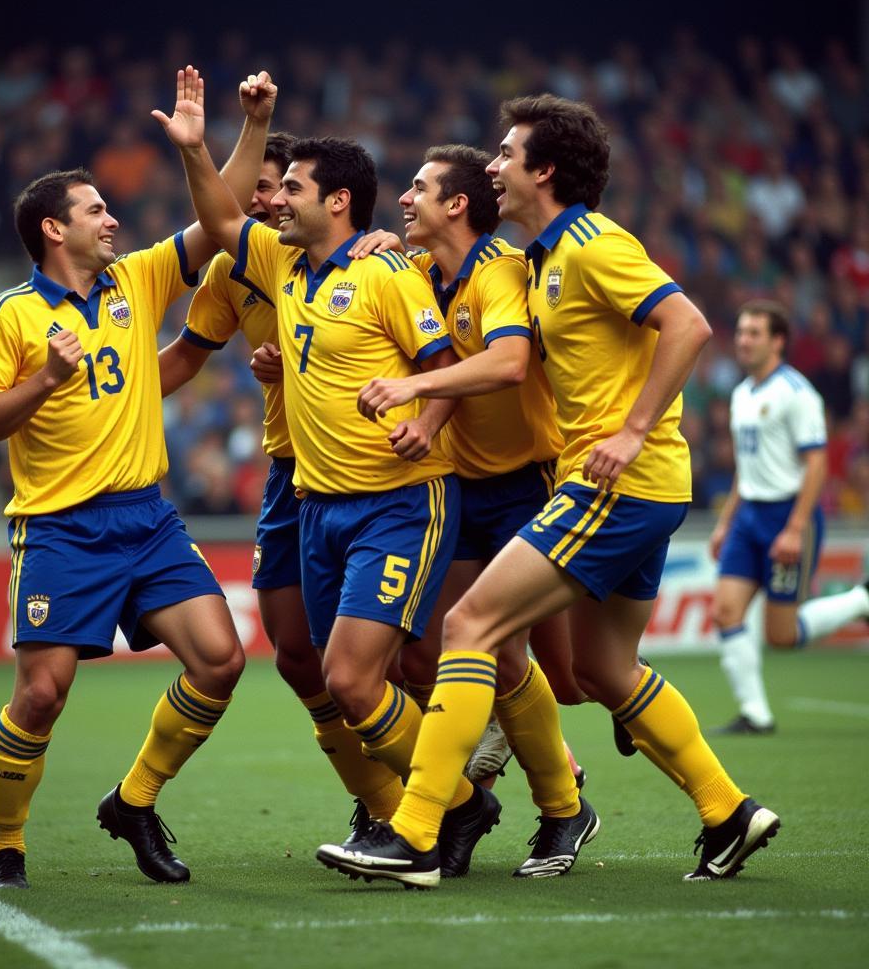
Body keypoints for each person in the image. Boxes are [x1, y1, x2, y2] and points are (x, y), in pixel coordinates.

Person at [316, 93, 779, 889]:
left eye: (505, 153)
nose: (493, 165)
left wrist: (631, 431)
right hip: (633, 484)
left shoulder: (596, 245)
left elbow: (690, 325)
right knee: (602, 672)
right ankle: (728, 812)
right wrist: (402, 245)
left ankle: (418, 832)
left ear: (545, 170)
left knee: (470, 625)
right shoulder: (539, 259)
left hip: (614, 481)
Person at [171, 66, 502, 877]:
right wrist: (202, 145)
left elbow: (450, 363)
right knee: (338, 677)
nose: (275, 200)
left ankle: (450, 809)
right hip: (317, 506)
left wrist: (424, 420)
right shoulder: (282, 270)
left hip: (397, 503)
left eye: (292, 189)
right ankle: (455, 808)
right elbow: (219, 216)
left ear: (339, 201)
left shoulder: (388, 273)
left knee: (358, 680)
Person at [0, 68, 276, 889]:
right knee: (41, 696)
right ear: (52, 229)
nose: (111, 219)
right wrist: (42, 384)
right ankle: (5, 845)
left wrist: (223, 140)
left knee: (219, 658)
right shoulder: (10, 317)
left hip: (147, 519)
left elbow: (223, 224)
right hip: (61, 527)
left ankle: (134, 800)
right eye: (95, 210)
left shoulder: (135, 282)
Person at [343, 145, 596, 878]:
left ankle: (538, 789)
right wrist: (427, 423)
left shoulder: (500, 270)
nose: (402, 200)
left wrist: (414, 397)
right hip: (459, 484)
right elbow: (439, 358)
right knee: (440, 650)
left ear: (457, 205)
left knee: (569, 673)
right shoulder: (422, 273)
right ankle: (482, 801)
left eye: (418, 189)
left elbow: (509, 362)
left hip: (528, 483)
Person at [157, 130, 404, 836]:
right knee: (298, 654)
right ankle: (379, 798)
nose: (266, 200)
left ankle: (544, 782)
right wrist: (102, 401)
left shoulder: (363, 258)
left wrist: (389, 241)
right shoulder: (241, 267)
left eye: (278, 187)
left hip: (374, 471)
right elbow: (183, 358)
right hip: (291, 472)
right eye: (259, 189)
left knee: (410, 650)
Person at [710, 300, 869, 733]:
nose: (743, 340)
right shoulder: (742, 394)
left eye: (754, 333)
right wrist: (726, 521)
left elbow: (816, 465)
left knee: (780, 636)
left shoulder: (797, 394)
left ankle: (861, 601)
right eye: (741, 332)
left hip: (787, 515)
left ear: (777, 341)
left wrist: (796, 528)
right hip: (748, 519)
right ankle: (756, 714)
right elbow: (746, 466)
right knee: (726, 611)